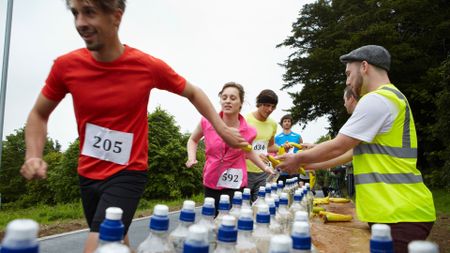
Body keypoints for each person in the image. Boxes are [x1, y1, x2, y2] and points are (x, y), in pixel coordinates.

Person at [19, 1, 248, 252]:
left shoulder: (145, 66)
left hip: (128, 172)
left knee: (101, 242)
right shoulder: (66, 66)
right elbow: (39, 114)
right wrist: (33, 155)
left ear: (116, 16)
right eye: (75, 13)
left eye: (90, 12)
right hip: (87, 172)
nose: (80, 22)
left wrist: (222, 130)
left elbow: (193, 92)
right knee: (117, 236)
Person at [277, 45, 436, 253]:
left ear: (364, 66)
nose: (347, 81)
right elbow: (348, 153)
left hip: (400, 213)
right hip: (396, 211)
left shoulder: (377, 99)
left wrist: (298, 160)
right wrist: (305, 164)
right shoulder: (390, 98)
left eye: (348, 73)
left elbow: (339, 145)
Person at [186, 82, 274, 213]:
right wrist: (191, 158)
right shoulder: (207, 121)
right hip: (212, 180)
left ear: (241, 103)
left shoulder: (250, 131)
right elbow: (193, 140)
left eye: (233, 98)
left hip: (235, 185)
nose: (227, 101)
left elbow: (249, 152)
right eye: (224, 97)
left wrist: (265, 167)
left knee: (232, 221)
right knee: (211, 219)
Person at [245, 89, 279, 201]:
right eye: (267, 105)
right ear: (259, 103)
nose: (270, 109)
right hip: (245, 171)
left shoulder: (273, 124)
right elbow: (236, 148)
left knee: (259, 208)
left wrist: (283, 148)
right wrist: (255, 155)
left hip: (263, 172)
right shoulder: (245, 120)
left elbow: (270, 147)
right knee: (242, 207)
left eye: (273, 107)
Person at [274, 114, 303, 184]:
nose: (287, 123)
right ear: (282, 124)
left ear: (291, 123)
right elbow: (274, 152)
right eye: (285, 121)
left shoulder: (298, 136)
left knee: (293, 190)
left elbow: (302, 150)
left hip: (294, 167)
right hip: (281, 169)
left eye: (288, 121)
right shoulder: (276, 137)